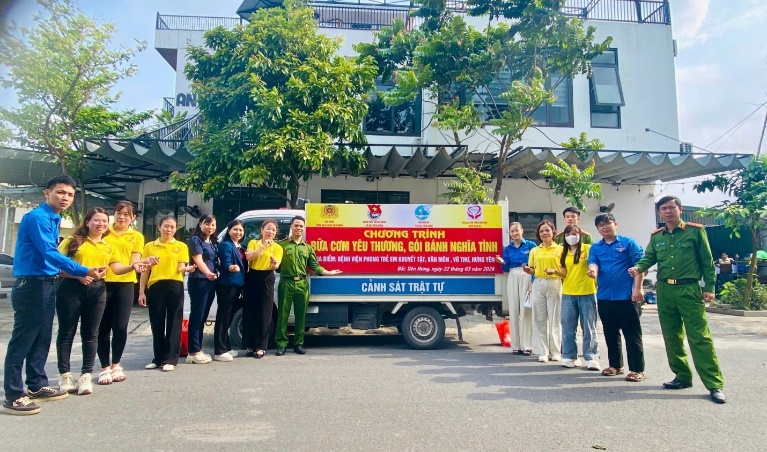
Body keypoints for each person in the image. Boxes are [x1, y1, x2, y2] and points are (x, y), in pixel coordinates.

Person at [3, 175, 106, 416]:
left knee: (42, 336)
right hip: (31, 285)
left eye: (70, 194)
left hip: (47, 284)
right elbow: (49, 253)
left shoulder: (54, 218)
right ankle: (13, 395)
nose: (65, 198)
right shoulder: (37, 218)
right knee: (23, 339)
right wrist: (83, 270)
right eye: (60, 192)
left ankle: (36, 384)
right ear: (47, 193)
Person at [629, 196, 726, 404]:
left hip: (689, 289)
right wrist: (638, 267)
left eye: (671, 207)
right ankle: (682, 376)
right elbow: (649, 258)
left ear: (680, 209)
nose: (668, 211)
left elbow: (707, 261)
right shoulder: (657, 236)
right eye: (663, 208)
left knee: (699, 337)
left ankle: (714, 384)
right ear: (659, 213)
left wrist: (709, 288)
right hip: (665, 290)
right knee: (671, 336)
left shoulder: (695, 231)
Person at [55, 208, 147, 395]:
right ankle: (65, 375)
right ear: (87, 222)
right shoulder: (72, 241)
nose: (101, 224)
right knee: (66, 332)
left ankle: (86, 375)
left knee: (91, 334)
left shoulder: (108, 246)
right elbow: (55, 266)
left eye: (104, 221)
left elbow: (117, 268)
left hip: (97, 290)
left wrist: (134, 266)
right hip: (70, 289)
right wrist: (79, 274)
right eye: (96, 220)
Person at [97, 200, 157, 385]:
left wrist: (142, 263)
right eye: (119, 213)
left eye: (126, 214)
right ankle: (104, 367)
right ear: (113, 214)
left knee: (121, 326)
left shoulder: (136, 236)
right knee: (102, 327)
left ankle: (116, 365)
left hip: (125, 284)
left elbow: (134, 262)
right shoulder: (104, 232)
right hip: (102, 283)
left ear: (133, 217)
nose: (122, 217)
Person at [587, 213, 646, 382]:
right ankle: (615, 365)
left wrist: (638, 288)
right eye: (601, 225)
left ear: (615, 224)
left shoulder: (629, 243)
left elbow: (640, 265)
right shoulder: (596, 247)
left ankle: (637, 369)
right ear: (598, 229)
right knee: (610, 332)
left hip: (626, 296)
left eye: (608, 223)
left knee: (632, 334)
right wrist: (593, 271)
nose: (604, 227)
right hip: (605, 296)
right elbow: (593, 262)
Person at [275, 216, 342, 356]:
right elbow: (276, 265)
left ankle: (298, 343)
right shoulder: (282, 245)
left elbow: (315, 266)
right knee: (283, 315)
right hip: (286, 283)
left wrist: (328, 272)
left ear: (304, 228)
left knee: (301, 316)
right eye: (296, 225)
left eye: (301, 226)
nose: (298, 228)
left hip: (302, 284)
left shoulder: (307, 248)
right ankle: (281, 344)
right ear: (291, 227)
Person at [138, 215, 196, 372]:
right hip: (155, 286)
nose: (169, 229)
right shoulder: (150, 246)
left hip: (174, 286)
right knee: (156, 323)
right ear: (159, 227)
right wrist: (142, 291)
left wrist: (188, 268)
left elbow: (180, 268)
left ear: (175, 229)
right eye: (166, 226)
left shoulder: (181, 246)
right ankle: (158, 358)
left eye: (172, 227)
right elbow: (145, 270)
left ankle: (170, 359)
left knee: (174, 323)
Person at [558, 225, 600, 371]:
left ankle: (592, 357)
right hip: (568, 292)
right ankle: (570, 356)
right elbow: (563, 272)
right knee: (568, 326)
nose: (571, 236)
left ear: (580, 235)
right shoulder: (563, 251)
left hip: (587, 292)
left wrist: (593, 272)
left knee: (588, 326)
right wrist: (553, 272)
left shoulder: (588, 248)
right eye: (568, 234)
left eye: (574, 233)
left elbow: (595, 264)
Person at [522, 220, 564, 363]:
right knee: (539, 319)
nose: (544, 233)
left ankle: (555, 351)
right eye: (541, 231)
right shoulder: (535, 250)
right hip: (538, 282)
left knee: (554, 319)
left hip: (555, 282)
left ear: (553, 232)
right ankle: (542, 351)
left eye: (547, 230)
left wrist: (555, 271)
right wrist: (527, 270)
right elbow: (532, 269)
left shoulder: (560, 249)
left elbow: (564, 270)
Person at [244, 219, 283, 359]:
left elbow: (276, 265)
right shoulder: (253, 243)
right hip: (252, 276)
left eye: (273, 230)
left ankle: (261, 346)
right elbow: (249, 257)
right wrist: (262, 247)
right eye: (268, 228)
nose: (270, 232)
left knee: (265, 312)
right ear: (262, 230)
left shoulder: (277, 247)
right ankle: (249, 345)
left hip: (267, 277)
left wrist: (274, 264)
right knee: (250, 311)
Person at [495, 222, 535, 355]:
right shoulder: (507, 249)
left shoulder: (530, 245)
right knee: (513, 310)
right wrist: (502, 262)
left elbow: (536, 264)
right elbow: (506, 268)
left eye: (516, 230)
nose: (514, 233)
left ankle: (527, 345)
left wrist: (532, 282)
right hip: (512, 275)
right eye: (512, 231)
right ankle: (516, 345)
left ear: (522, 230)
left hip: (527, 275)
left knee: (526, 311)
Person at [186, 214, 218, 364]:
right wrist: (208, 273)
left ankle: (197, 348)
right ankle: (193, 351)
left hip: (210, 282)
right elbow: (198, 260)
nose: (210, 227)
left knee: (203, 316)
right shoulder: (195, 240)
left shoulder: (212, 242)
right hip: (199, 281)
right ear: (200, 224)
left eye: (213, 225)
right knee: (197, 316)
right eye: (207, 224)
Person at [214, 219, 247, 362]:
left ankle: (226, 347)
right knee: (223, 317)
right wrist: (231, 267)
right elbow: (226, 263)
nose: (238, 232)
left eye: (240, 230)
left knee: (228, 317)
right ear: (229, 231)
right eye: (235, 229)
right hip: (227, 285)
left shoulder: (238, 246)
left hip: (236, 285)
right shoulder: (226, 245)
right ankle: (219, 351)